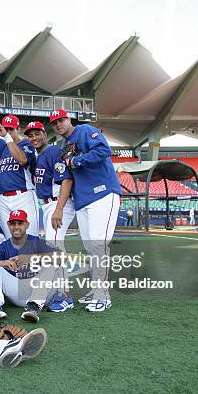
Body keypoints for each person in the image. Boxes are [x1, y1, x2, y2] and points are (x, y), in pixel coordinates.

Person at [50, 109, 121, 313]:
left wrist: (76, 161)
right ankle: (95, 289)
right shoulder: (63, 147)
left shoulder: (85, 130)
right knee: (91, 248)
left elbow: (103, 150)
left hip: (103, 193)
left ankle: (103, 295)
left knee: (99, 245)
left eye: (61, 119)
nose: (58, 124)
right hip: (83, 199)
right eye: (54, 122)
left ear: (69, 119)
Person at [0, 209, 73, 323]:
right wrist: (1, 263)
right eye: (13, 223)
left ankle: (34, 306)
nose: (16, 227)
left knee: (51, 266)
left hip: (40, 291)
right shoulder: (3, 246)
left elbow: (62, 257)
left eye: (20, 223)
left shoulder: (35, 241)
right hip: (16, 290)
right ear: (8, 225)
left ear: (27, 225)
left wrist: (30, 257)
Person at [25, 121, 75, 245]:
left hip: (58, 203)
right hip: (48, 205)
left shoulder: (53, 151)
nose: (34, 138)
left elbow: (67, 179)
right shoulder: (38, 156)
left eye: (37, 134)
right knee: (53, 245)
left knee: (53, 244)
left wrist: (59, 209)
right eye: (30, 136)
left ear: (45, 135)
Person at [0, 115, 39, 238]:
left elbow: (22, 160)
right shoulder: (3, 148)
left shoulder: (27, 145)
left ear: (18, 129)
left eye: (11, 129)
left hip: (23, 196)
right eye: (5, 129)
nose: (7, 132)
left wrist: (7, 138)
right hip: (3, 198)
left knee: (30, 237)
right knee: (10, 239)